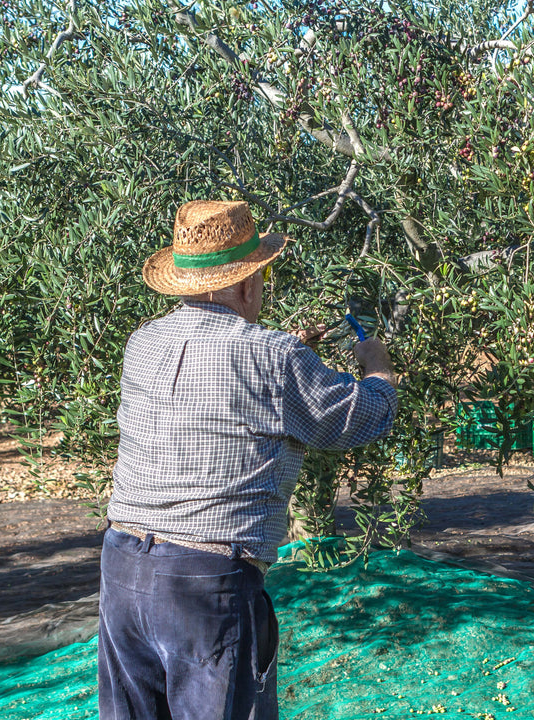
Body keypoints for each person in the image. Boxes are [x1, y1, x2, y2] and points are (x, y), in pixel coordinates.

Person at [98, 200, 398, 719]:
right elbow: (362, 417)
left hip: (123, 566)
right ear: (243, 283)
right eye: (261, 274)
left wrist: (289, 358)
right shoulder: (275, 357)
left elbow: (208, 401)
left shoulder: (142, 343)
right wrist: (377, 365)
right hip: (206, 580)